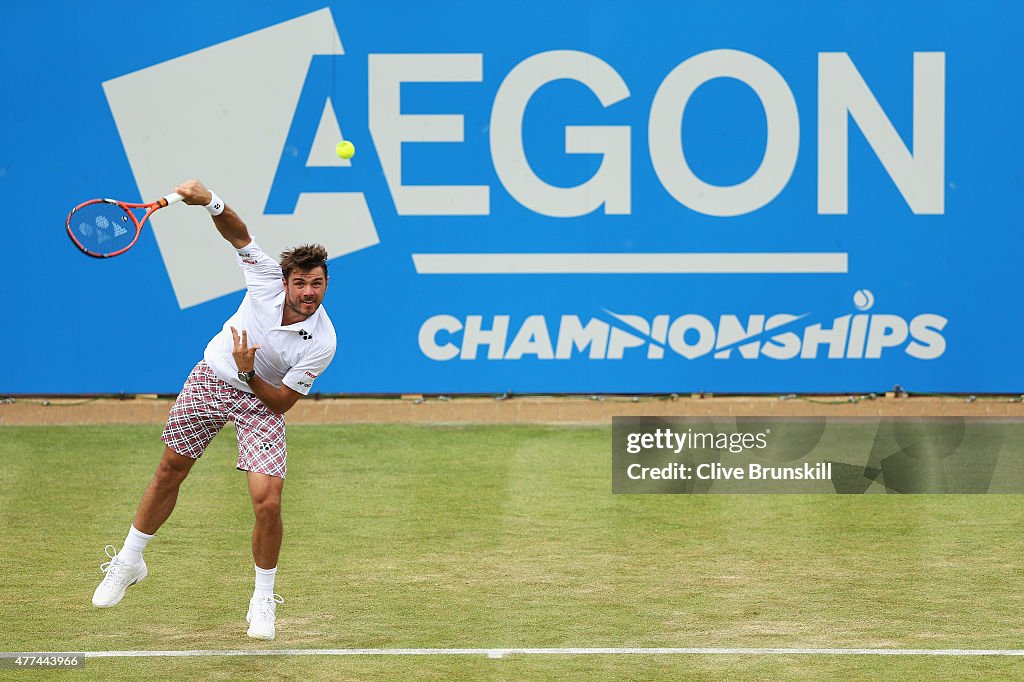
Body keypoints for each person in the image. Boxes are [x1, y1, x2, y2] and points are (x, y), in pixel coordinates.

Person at [91, 179, 337, 641]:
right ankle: (129, 560)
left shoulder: (323, 341)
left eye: (317, 284)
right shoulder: (264, 276)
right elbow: (238, 233)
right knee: (170, 469)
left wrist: (248, 375)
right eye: (301, 282)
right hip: (211, 378)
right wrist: (210, 201)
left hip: (259, 400)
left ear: (326, 285)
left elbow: (282, 402)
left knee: (268, 502)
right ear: (284, 281)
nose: (308, 291)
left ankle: (262, 599)